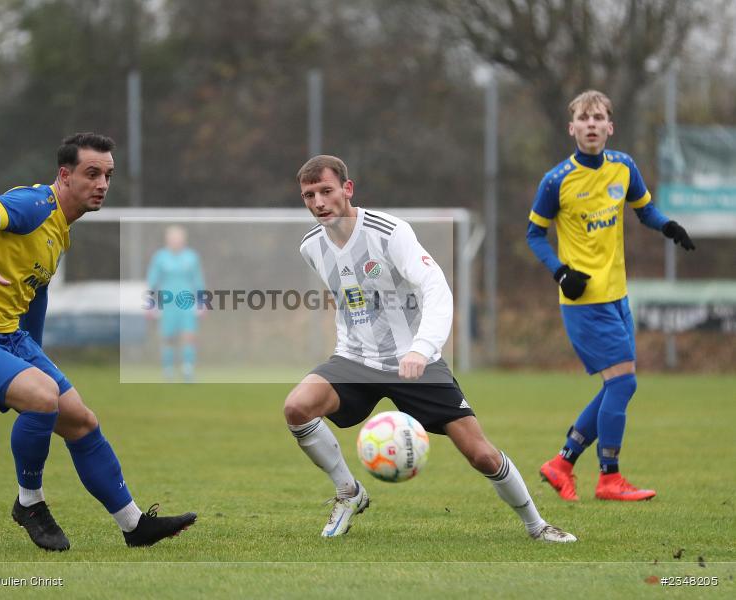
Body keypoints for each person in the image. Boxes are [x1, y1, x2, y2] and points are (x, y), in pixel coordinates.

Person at [0, 133, 197, 551]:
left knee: (81, 421)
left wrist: (35, 350)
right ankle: (29, 503)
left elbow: (36, 292)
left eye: (108, 175)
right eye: (92, 173)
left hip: (8, 338)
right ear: (64, 176)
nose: (102, 183)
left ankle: (133, 524)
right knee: (43, 397)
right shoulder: (34, 206)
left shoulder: (61, 230)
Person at [284, 155, 576, 542]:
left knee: (481, 454)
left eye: (326, 191)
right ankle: (348, 492)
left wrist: (421, 348)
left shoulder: (389, 232)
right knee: (297, 408)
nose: (319, 202)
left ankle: (537, 526)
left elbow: (435, 287)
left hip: (415, 361)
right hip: (355, 360)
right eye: (309, 195)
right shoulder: (311, 247)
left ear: (347, 189)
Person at [527, 90, 695, 502]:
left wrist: (667, 225)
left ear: (609, 127)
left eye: (598, 118)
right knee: (623, 386)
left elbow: (644, 209)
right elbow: (535, 234)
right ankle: (609, 478)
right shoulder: (556, 180)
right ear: (572, 129)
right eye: (583, 119)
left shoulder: (623, 167)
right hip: (584, 303)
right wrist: (561, 272)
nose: (590, 125)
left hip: (618, 296)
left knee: (615, 387)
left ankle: (562, 463)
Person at [146, 225, 205, 381]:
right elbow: (152, 282)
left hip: (187, 302)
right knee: (168, 337)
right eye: (173, 238)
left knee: (189, 335)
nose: (176, 241)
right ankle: (168, 370)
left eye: (178, 238)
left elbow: (198, 281)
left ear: (183, 240)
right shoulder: (160, 257)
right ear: (167, 240)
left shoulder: (192, 257)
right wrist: (150, 304)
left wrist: (202, 302)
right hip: (167, 302)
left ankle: (188, 369)